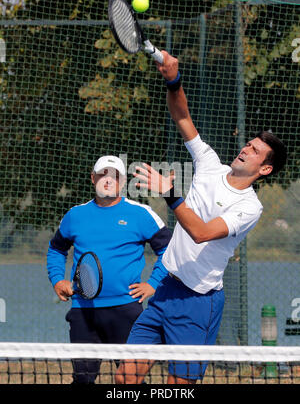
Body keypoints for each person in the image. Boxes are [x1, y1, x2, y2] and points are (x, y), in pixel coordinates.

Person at [115, 51, 287, 385]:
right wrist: (172, 80)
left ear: (264, 169)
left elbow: (201, 233)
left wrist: (170, 193)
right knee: (124, 380)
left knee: (179, 389)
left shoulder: (250, 208)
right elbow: (182, 118)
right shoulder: (210, 164)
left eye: (254, 150)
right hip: (165, 289)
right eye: (249, 143)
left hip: (198, 303)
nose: (246, 149)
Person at [47, 155, 172, 384]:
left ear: (123, 182)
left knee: (131, 381)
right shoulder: (75, 215)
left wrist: (153, 284)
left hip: (126, 310)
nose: (108, 180)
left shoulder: (141, 214)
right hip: (83, 311)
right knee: (82, 380)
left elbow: (170, 251)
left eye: (114, 176)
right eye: (103, 174)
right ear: (93, 178)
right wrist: (57, 279)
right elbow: (56, 249)